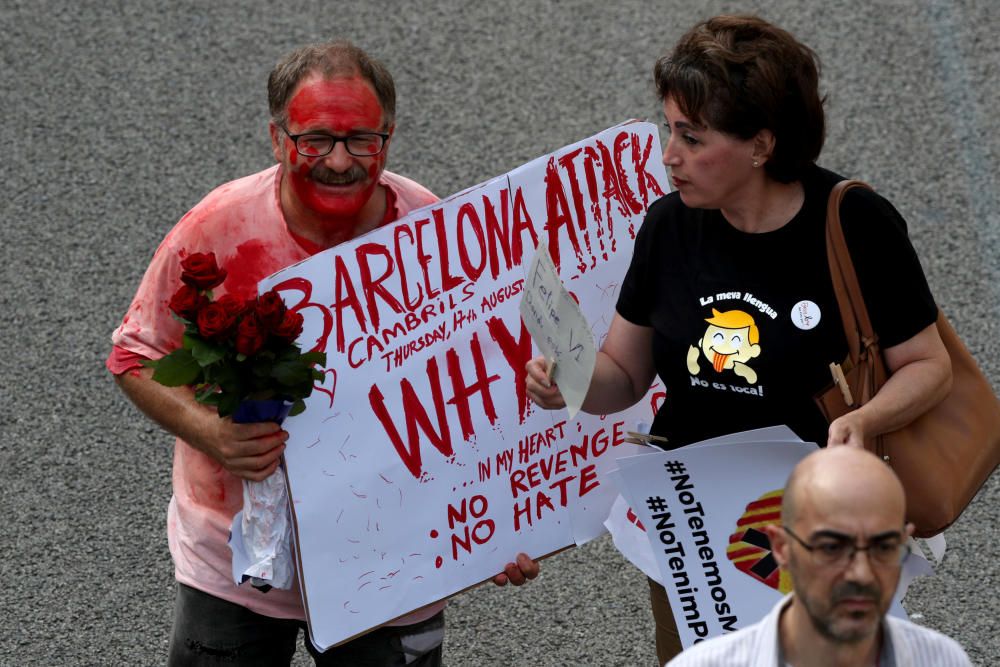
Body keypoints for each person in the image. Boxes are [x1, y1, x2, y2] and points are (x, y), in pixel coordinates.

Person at [525, 15, 951, 665]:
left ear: (760, 144)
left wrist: (865, 420)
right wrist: (571, 382)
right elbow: (625, 373)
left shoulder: (854, 221)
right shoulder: (669, 226)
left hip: (818, 527)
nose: (669, 154)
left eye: (692, 138)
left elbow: (928, 366)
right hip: (690, 522)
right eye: (669, 128)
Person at [109, 40, 537, 666]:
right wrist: (213, 433)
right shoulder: (217, 229)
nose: (340, 161)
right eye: (316, 140)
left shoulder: (433, 233)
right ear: (278, 139)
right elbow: (134, 355)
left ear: (388, 138)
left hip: (393, 564)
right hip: (233, 561)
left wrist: (505, 526)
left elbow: (482, 385)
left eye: (362, 139)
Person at [665, 446, 972, 666]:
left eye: (883, 547)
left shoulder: (944, 659)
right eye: (831, 548)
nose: (861, 574)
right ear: (782, 549)